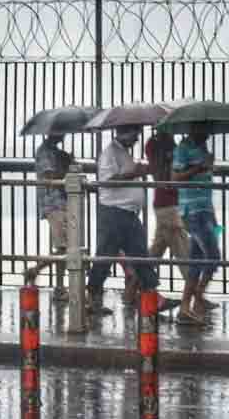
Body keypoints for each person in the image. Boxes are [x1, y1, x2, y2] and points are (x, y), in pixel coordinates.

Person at [87, 126, 170, 316]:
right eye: (135, 134)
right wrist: (135, 173)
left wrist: (142, 169)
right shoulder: (110, 153)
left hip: (127, 213)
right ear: (124, 133)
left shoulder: (122, 153)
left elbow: (126, 175)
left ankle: (153, 297)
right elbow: (108, 180)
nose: (136, 139)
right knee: (105, 257)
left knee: (140, 255)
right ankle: (92, 299)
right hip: (114, 213)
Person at [172, 123, 220, 325]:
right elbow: (175, 178)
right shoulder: (182, 149)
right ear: (194, 129)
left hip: (206, 210)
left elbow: (203, 176)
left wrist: (208, 166)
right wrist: (201, 166)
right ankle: (198, 297)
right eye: (205, 130)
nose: (208, 134)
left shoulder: (202, 148)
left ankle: (185, 307)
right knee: (214, 256)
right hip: (192, 212)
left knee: (196, 259)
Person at [25, 133, 72, 301]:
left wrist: (66, 161)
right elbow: (49, 176)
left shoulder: (54, 152)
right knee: (64, 247)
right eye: (60, 131)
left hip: (61, 202)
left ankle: (59, 286)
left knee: (63, 247)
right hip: (54, 203)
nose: (62, 135)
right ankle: (35, 271)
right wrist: (66, 169)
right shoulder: (44, 152)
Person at [145, 129, 190, 293]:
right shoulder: (156, 146)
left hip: (168, 203)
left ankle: (133, 287)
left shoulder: (167, 147)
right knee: (184, 251)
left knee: (156, 250)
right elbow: (164, 174)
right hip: (168, 205)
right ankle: (196, 295)